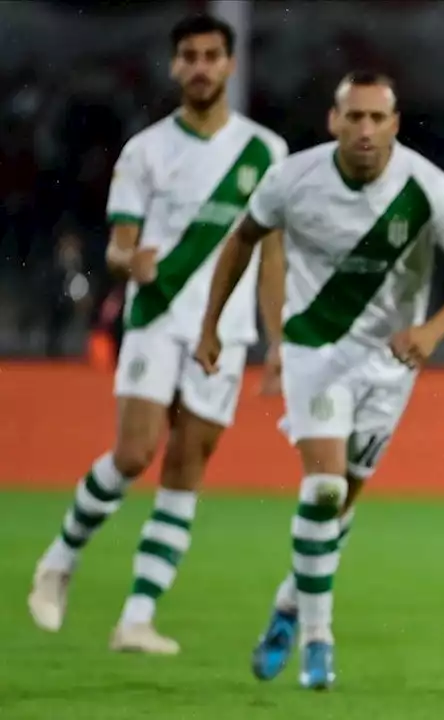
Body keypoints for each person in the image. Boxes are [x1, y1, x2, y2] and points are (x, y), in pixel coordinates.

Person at [194, 71, 444, 689]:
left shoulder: (429, 188)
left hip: (390, 363)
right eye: (353, 117)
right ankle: (317, 641)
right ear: (333, 120)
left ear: (394, 124)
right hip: (315, 347)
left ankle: (288, 604)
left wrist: (433, 332)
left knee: (343, 503)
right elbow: (240, 242)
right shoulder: (292, 178)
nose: (364, 130)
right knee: (324, 490)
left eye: (376, 118)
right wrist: (211, 327)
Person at [27, 13, 288, 655]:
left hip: (224, 331)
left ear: (229, 65)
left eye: (211, 55)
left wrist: (277, 338)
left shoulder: (266, 153)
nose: (200, 66)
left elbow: (273, 252)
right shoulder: (144, 150)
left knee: (187, 467)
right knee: (136, 452)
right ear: (175, 67)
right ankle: (61, 558)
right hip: (156, 316)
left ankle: (136, 618)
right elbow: (117, 248)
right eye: (189, 56)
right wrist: (128, 262)